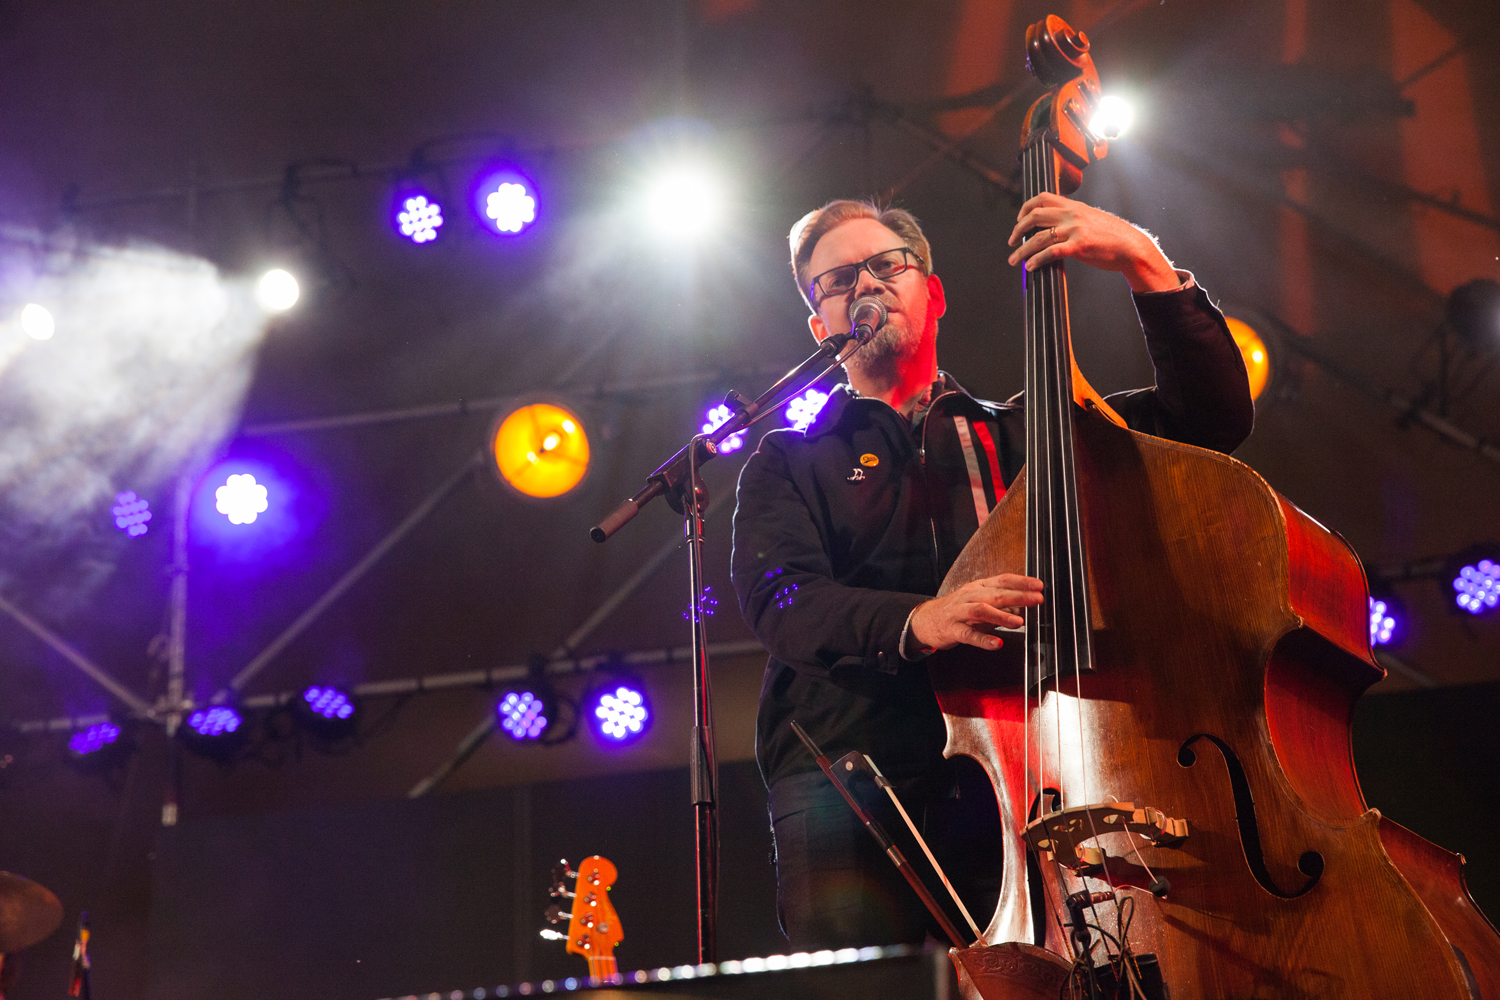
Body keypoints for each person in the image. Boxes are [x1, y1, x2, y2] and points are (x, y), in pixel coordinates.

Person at [729, 192, 1255, 949]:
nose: (866, 285)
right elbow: (783, 600)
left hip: (1033, 771)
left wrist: (1146, 263)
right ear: (822, 327)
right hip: (857, 783)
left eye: (886, 265)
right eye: (838, 281)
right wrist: (918, 620)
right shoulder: (789, 458)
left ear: (931, 293)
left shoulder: (1033, 436)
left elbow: (1210, 421)